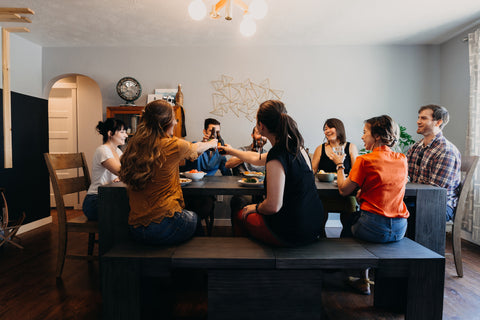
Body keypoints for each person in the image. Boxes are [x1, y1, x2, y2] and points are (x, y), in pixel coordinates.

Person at [220, 100, 325, 246]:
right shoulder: (295, 146)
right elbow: (256, 158)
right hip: (314, 224)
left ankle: (245, 258)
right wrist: (230, 151)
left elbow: (272, 206)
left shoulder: (277, 154)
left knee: (240, 214)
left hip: (293, 232)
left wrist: (255, 207)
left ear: (261, 126)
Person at [119, 100, 218, 245]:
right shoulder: (172, 145)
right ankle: (197, 264)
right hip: (163, 225)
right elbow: (195, 148)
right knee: (195, 219)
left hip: (137, 228)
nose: (176, 123)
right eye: (174, 119)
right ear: (166, 122)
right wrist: (211, 143)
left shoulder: (134, 145)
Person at [331, 115, 409, 295]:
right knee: (357, 218)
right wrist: (363, 193)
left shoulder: (365, 160)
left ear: (377, 136)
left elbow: (343, 190)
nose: (362, 137)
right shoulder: (402, 159)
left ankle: (359, 277)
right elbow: (388, 187)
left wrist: (340, 165)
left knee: (348, 223)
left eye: (365, 132)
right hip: (399, 228)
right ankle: (367, 278)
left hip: (373, 228)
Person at [406, 104, 461, 222]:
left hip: (441, 205)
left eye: (424, 118)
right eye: (419, 117)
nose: (418, 121)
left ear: (438, 122)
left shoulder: (446, 151)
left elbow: (435, 192)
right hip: (418, 199)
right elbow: (403, 174)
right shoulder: (415, 147)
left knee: (401, 210)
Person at [311, 118, 358, 237]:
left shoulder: (350, 147)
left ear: (339, 129)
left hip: (345, 190)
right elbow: (312, 171)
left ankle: (346, 244)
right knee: (318, 222)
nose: (327, 131)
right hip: (324, 192)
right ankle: (321, 241)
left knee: (348, 222)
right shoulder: (320, 148)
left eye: (330, 127)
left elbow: (357, 171)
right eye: (325, 129)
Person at [82, 118, 128, 221]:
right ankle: (113, 237)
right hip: (95, 201)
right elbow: (122, 171)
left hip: (109, 197)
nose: (126, 135)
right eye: (122, 132)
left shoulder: (118, 151)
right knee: (130, 210)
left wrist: (121, 178)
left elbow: (125, 172)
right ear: (110, 133)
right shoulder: (103, 150)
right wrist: (122, 176)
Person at [226, 127, 268, 233]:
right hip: (243, 190)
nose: (261, 137)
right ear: (252, 135)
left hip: (260, 191)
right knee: (238, 201)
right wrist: (247, 156)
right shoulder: (242, 150)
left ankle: (259, 233)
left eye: (263, 135)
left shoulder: (267, 155)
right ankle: (238, 235)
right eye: (258, 133)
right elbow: (228, 164)